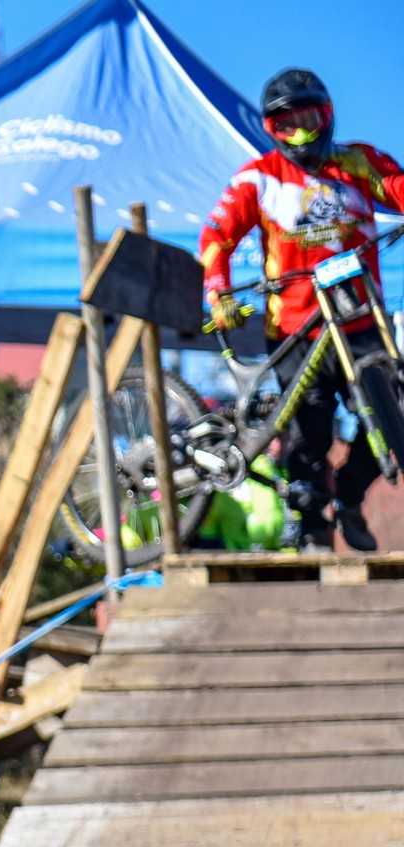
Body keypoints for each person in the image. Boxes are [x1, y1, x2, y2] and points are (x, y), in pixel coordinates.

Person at [199, 67, 404, 552]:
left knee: (393, 416)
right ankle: (312, 528)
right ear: (271, 131)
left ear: (328, 116)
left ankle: (350, 499)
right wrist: (218, 290)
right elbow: (216, 236)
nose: (300, 133)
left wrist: (381, 181)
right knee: (308, 434)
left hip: (361, 322)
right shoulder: (258, 177)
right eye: (285, 125)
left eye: (309, 119)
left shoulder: (359, 161)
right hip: (296, 329)